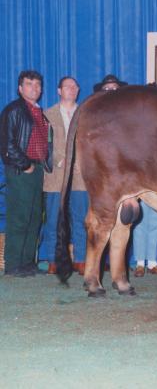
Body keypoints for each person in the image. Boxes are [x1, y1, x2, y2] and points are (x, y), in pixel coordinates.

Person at [0, 71, 52, 277]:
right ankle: (13, 265)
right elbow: (6, 144)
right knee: (20, 217)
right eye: (29, 84)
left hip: (38, 169)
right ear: (20, 88)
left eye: (38, 84)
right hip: (21, 170)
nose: (35, 88)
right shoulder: (13, 110)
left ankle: (28, 262)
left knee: (35, 218)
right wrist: (25, 165)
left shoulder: (40, 112)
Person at [40, 76, 88, 275]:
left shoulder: (85, 114)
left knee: (81, 219)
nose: (72, 89)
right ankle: (53, 260)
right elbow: (43, 144)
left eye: (75, 86)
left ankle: (81, 259)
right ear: (59, 91)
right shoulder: (46, 115)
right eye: (67, 86)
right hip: (55, 177)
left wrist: (79, 163)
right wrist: (62, 160)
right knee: (53, 220)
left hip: (80, 176)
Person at [132, 202, 157, 276]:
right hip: (141, 192)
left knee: (156, 223)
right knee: (139, 223)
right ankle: (140, 264)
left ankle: (152, 263)